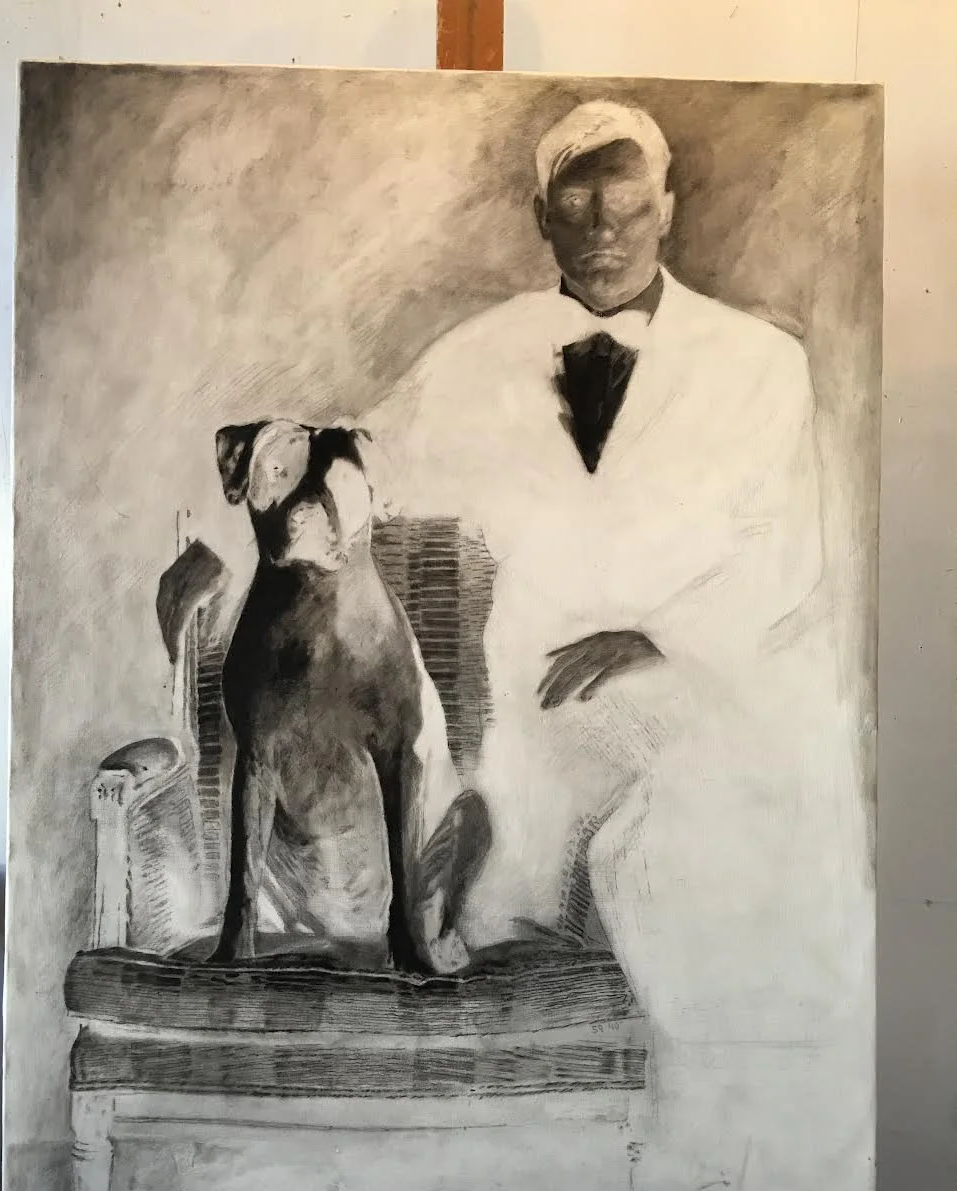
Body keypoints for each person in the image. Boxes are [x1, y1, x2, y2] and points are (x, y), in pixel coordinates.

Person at [362, 100, 873, 1046]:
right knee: (503, 873)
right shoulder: (475, 357)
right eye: (577, 206)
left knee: (696, 902)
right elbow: (364, 466)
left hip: (698, 696)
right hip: (532, 706)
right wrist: (232, 526)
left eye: (628, 205)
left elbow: (789, 553)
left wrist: (654, 636)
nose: (604, 231)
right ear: (541, 217)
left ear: (667, 210)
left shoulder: (761, 363)